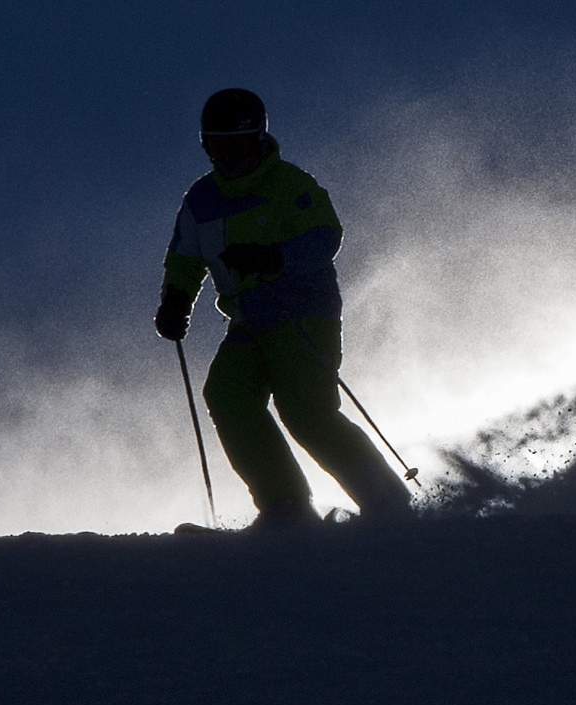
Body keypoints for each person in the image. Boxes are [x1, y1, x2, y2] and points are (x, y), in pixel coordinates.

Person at [154, 88, 413, 529]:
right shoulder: (201, 200)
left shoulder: (290, 185)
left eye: (236, 146)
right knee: (228, 395)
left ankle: (385, 501)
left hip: (301, 316)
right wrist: (176, 301)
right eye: (218, 147)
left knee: (306, 412)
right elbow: (185, 257)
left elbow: (324, 236)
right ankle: (285, 506)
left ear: (258, 139)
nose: (228, 158)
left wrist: (273, 257)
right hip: (247, 322)